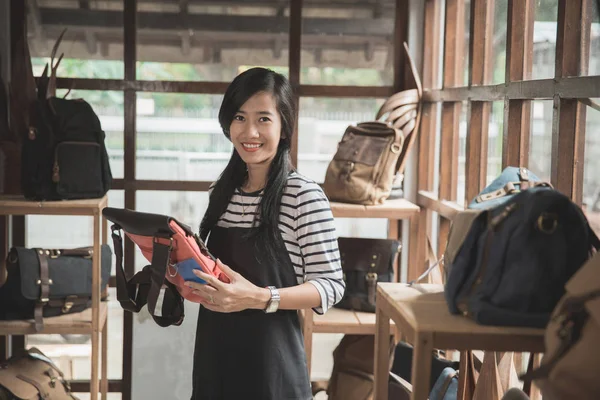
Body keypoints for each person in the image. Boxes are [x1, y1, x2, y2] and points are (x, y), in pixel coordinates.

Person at [184, 67, 345, 400]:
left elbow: (330, 285)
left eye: (264, 119)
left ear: (284, 126)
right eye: (240, 117)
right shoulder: (222, 191)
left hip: (273, 368)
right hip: (216, 358)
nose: (250, 131)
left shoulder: (303, 195)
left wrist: (259, 297)